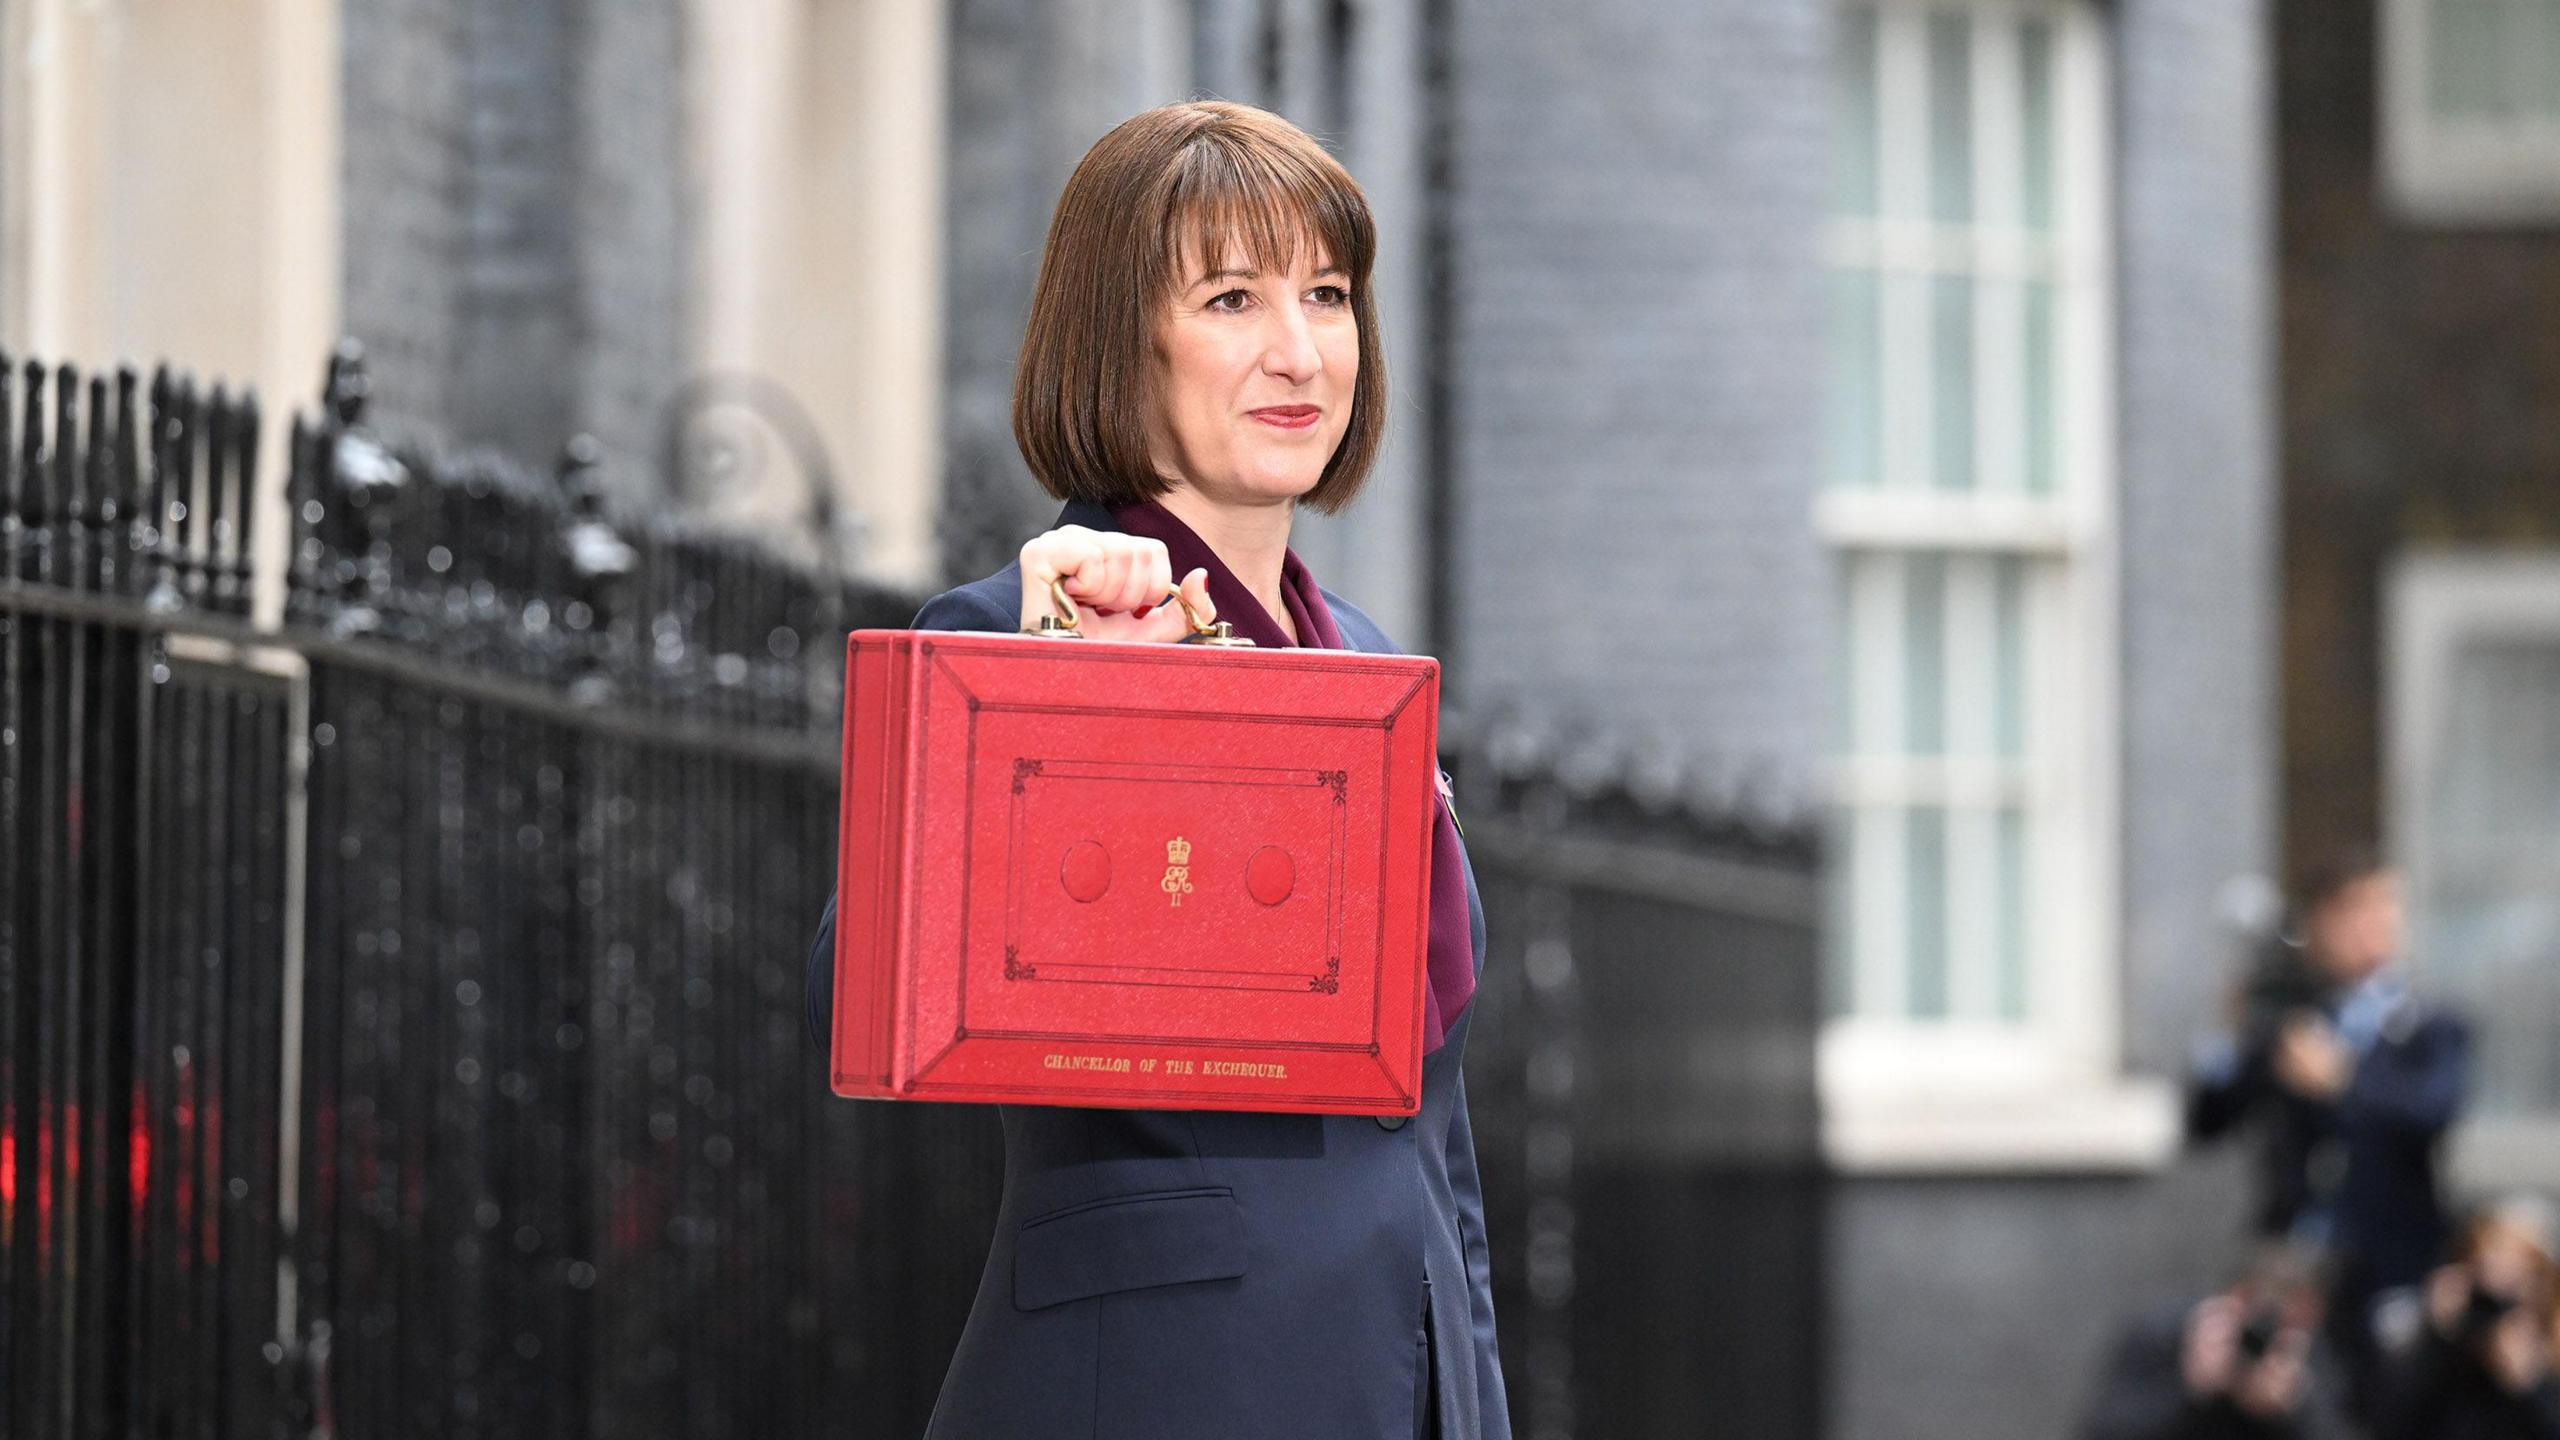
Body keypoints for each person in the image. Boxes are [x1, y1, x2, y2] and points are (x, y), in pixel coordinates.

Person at [801, 102, 1507, 1439]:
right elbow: (857, 1005)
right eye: (1231, 298)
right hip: (1159, 1386)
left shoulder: (1365, 660)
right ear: (1120, 341)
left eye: (1329, 294)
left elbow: (1434, 1138)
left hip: (1403, 1388)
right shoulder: (1011, 632)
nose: (1299, 351)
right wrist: (1059, 680)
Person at [2186, 849, 2471, 1407]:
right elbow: (2207, 1120)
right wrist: (2231, 1032)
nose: (2372, 927)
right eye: (2352, 911)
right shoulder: (2293, 1020)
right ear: (2319, 923)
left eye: (2383, 908)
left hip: (2390, 1260)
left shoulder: (2429, 1025)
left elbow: (2434, 1113)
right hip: (2293, 1261)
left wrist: (2344, 1081)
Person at [2081, 1247, 2355, 1440]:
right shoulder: (2167, 1332)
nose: (2265, 1340)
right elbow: (2104, 1429)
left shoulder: (2306, 1352)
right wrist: (2191, 1389)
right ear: (2235, 1299)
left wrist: (2290, 1409)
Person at [2369, 1198, 2560, 1440]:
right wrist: (2436, 1334)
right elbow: (2389, 1420)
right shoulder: (2445, 1337)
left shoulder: (2549, 1344)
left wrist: (2533, 1384)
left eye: (2521, 1267)